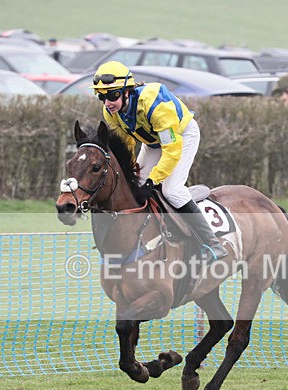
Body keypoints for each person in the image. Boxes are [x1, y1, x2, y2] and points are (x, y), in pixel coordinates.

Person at [91, 61, 227, 261]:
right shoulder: (110, 113)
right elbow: (126, 145)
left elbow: (171, 149)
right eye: (102, 97)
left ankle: (212, 245)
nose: (107, 102)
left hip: (182, 136)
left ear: (127, 91)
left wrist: (153, 180)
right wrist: (130, 173)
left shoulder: (154, 104)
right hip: (152, 143)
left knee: (171, 190)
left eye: (112, 95)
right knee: (133, 188)